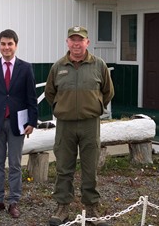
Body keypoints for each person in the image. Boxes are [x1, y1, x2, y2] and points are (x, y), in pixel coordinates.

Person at [45, 26, 114, 226]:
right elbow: (50, 93)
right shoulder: (58, 66)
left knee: (89, 167)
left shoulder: (98, 65)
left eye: (80, 40)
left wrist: (95, 106)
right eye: (72, 39)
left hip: (90, 124)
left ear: (87, 42)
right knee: (63, 168)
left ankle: (91, 208)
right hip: (65, 125)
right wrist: (62, 107)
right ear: (67, 42)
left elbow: (108, 91)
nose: (76, 43)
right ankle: (62, 206)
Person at [0, 29, 38, 219]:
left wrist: (32, 122)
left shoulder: (25, 68)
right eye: (3, 44)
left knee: (14, 164)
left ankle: (14, 201)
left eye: (10, 44)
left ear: (16, 45)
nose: (6, 47)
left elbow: (31, 97)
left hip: (17, 124)